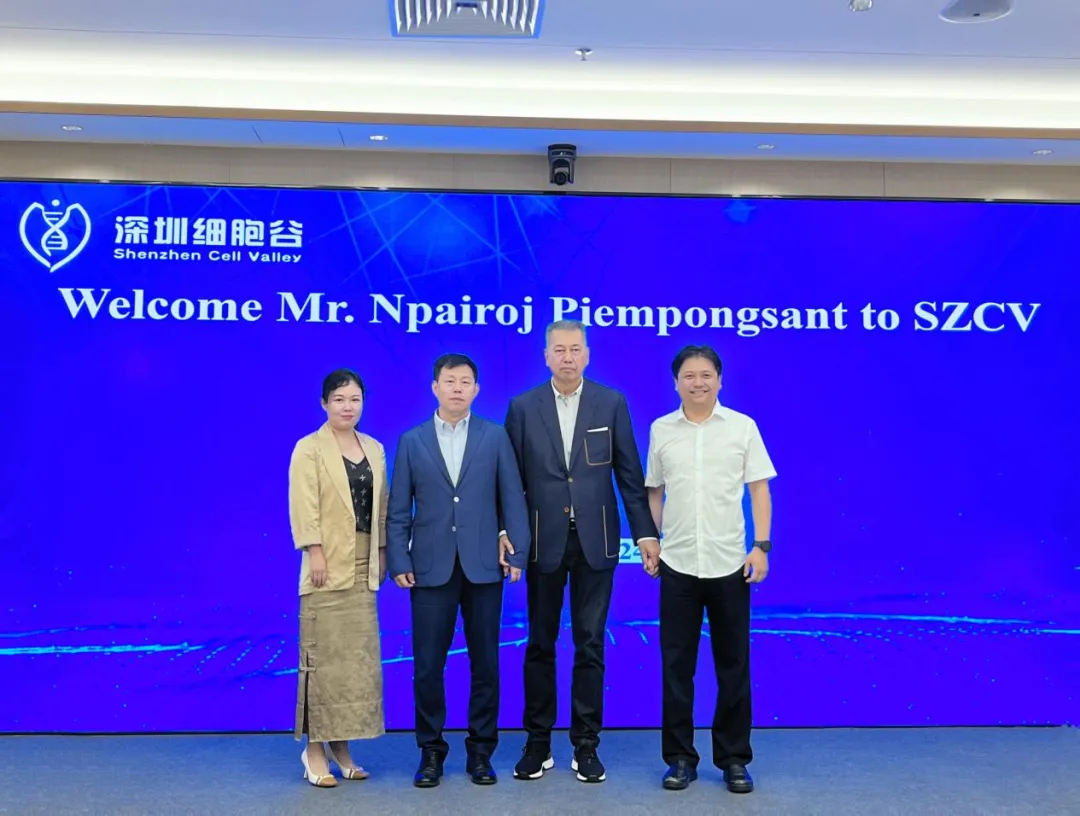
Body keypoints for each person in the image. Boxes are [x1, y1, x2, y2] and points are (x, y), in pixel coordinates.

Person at [503, 320, 659, 783]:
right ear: (546, 356)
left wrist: (646, 535)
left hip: (597, 541)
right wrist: (507, 535)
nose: (567, 357)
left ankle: (586, 744)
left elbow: (629, 475)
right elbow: (510, 482)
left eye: (575, 349)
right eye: (559, 350)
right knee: (540, 643)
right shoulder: (523, 407)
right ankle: (537, 743)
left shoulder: (611, 403)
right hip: (542, 541)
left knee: (590, 644)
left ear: (587, 354)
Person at [387, 353, 530, 788]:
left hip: (484, 566)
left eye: (465, 382)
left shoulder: (494, 436)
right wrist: (399, 559)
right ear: (435, 387)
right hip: (429, 569)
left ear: (476, 390)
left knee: (485, 664)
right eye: (449, 381)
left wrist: (518, 551)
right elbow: (398, 509)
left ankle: (481, 752)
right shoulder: (412, 441)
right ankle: (430, 752)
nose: (457, 388)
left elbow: (512, 497)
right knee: (428, 666)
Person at [642, 345, 777, 794]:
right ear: (675, 382)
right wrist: (653, 541)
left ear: (719, 379)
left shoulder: (742, 427)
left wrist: (760, 546)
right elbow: (654, 491)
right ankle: (680, 758)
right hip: (677, 565)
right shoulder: (662, 430)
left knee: (733, 666)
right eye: (689, 375)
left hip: (729, 565)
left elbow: (759, 490)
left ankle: (734, 759)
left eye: (705, 375)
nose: (697, 383)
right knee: (676, 667)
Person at [288, 368, 389, 788]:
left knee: (354, 664)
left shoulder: (375, 448)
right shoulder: (309, 449)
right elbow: (303, 504)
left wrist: (382, 552)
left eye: (355, 399)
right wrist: (314, 550)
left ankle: (341, 746)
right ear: (324, 403)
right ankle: (314, 750)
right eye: (339, 399)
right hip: (326, 563)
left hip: (364, 564)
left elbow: (382, 507)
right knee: (323, 661)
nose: (348, 407)